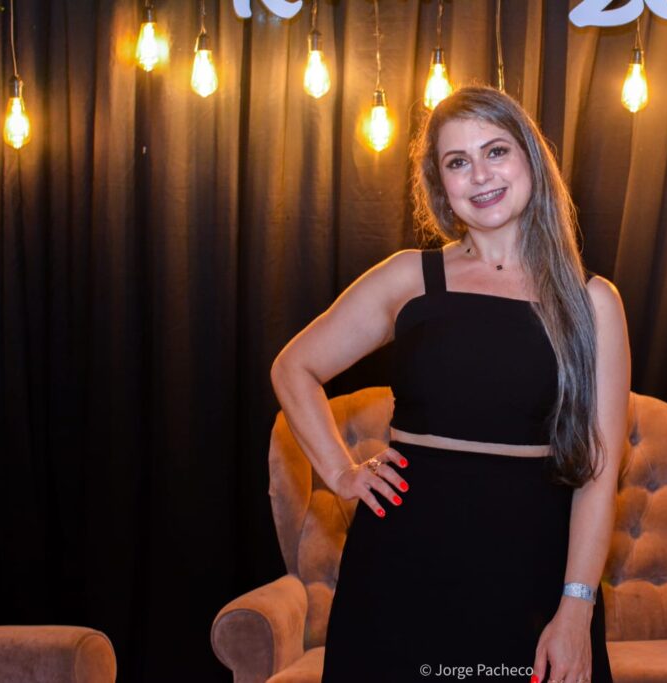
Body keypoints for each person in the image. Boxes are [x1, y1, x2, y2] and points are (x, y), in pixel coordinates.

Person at [270, 85, 631, 683]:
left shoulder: (592, 301)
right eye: (458, 161)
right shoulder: (409, 277)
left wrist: (576, 606)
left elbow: (599, 468)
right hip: (401, 564)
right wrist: (340, 472)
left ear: (530, 159)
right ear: (441, 185)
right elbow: (293, 367)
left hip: (531, 570)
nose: (480, 175)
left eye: (496, 151)